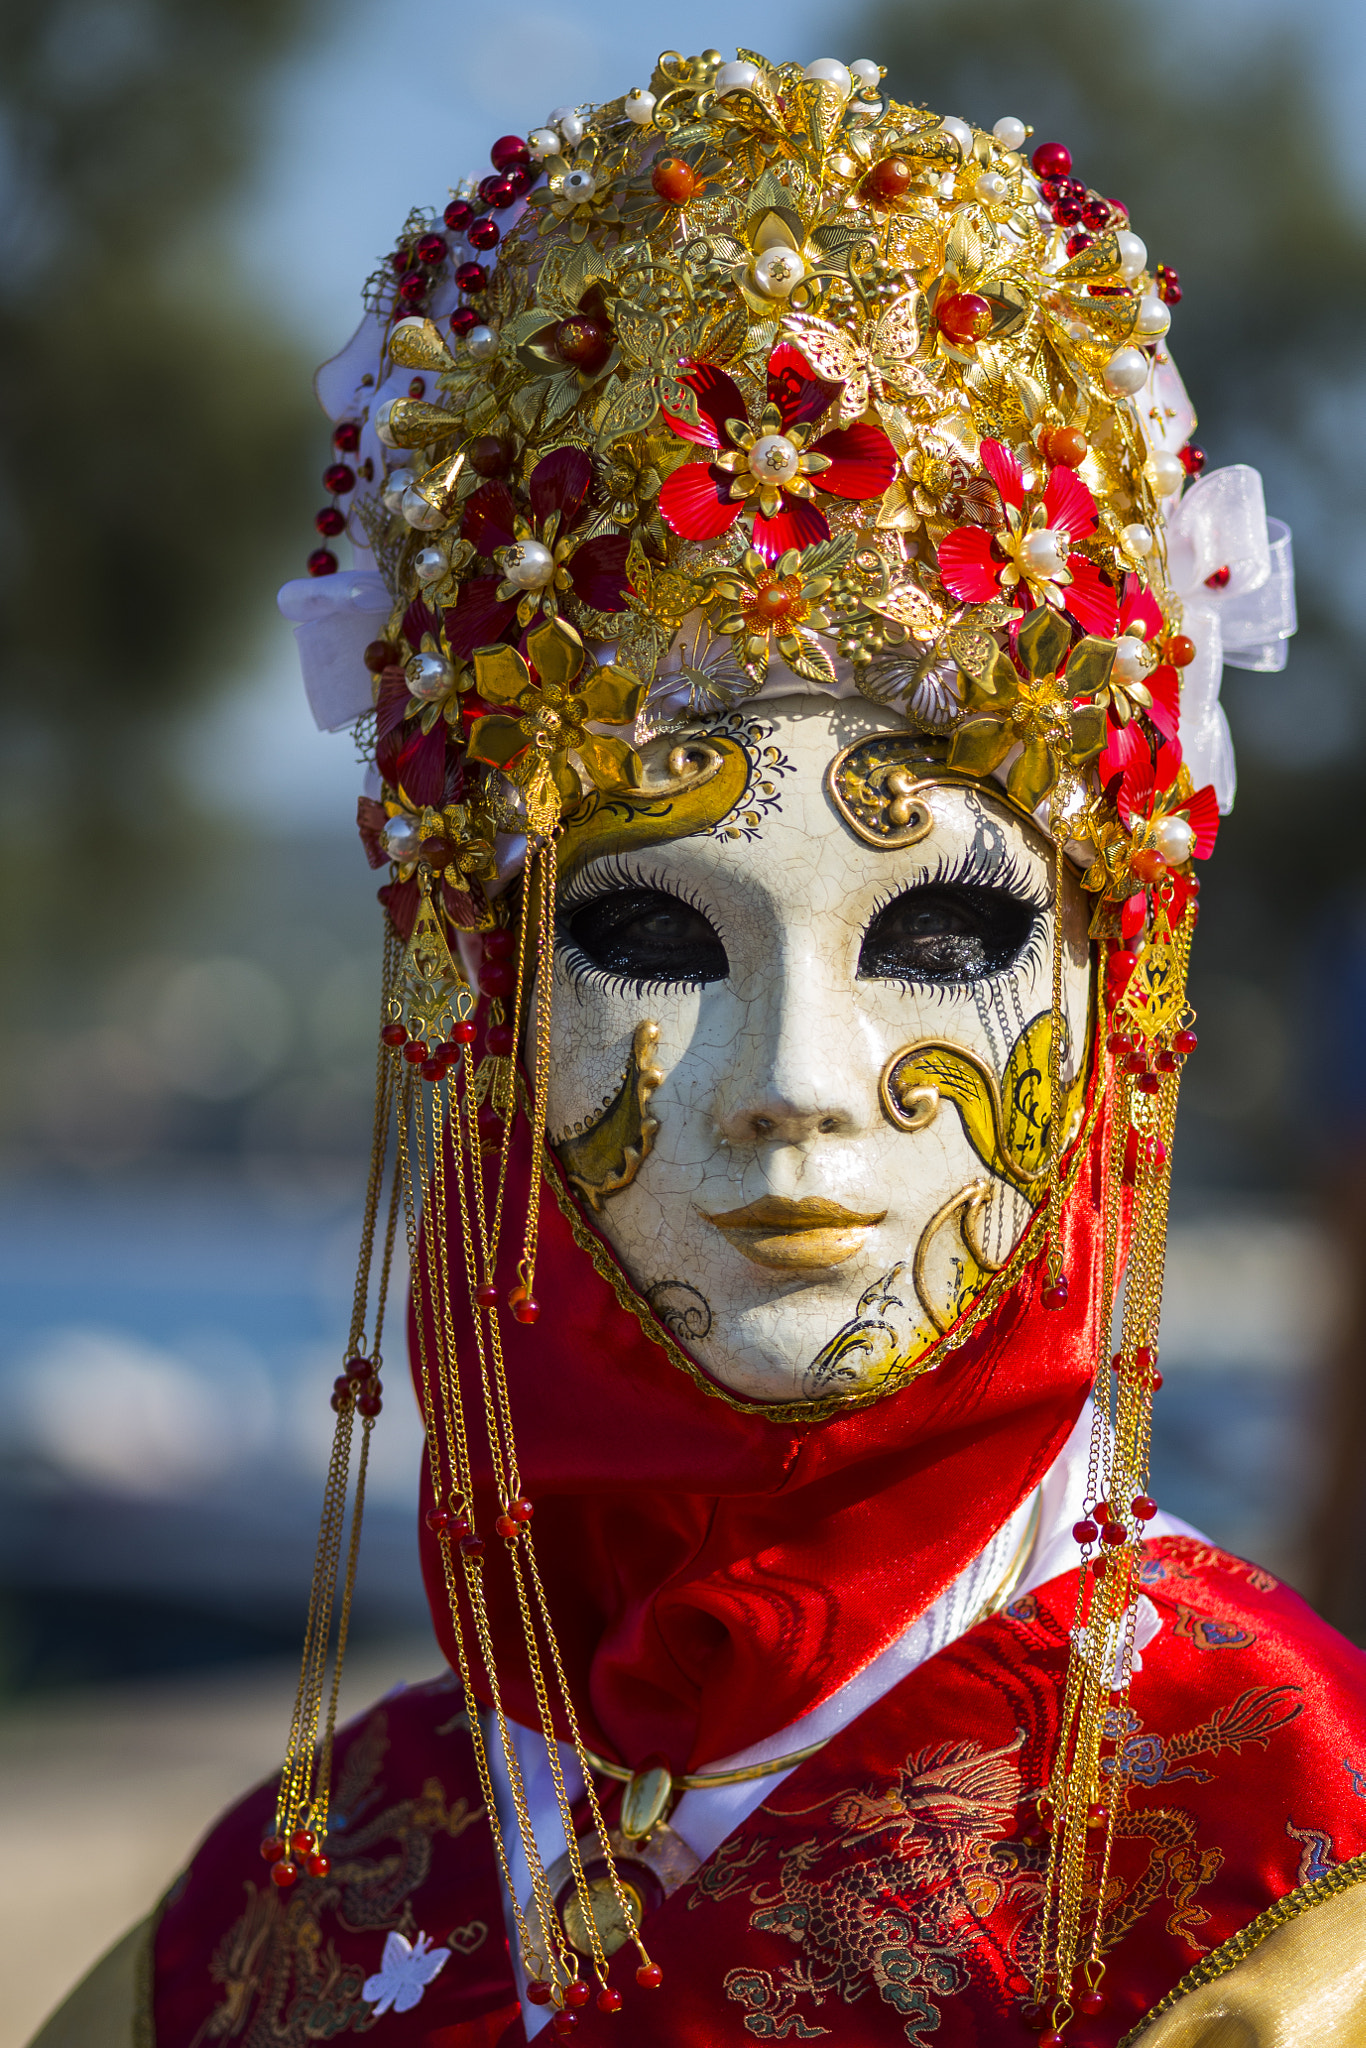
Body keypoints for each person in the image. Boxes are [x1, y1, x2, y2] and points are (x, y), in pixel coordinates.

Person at [33, 44, 1363, 2048]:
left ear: (1111, 986)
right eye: (650, 933)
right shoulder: (284, 1917)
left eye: (941, 929)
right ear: (467, 998)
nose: (791, 1082)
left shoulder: (1280, 1874)